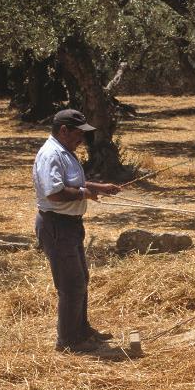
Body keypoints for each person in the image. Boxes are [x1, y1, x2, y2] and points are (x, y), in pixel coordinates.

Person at [33, 109, 122, 353]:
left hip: (69, 224)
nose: (81, 139)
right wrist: (85, 193)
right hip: (56, 225)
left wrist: (99, 187)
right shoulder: (51, 154)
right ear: (63, 130)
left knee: (80, 279)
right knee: (71, 284)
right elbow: (55, 192)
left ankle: (81, 330)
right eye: (78, 133)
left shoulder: (65, 152)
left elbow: (73, 184)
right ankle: (69, 341)